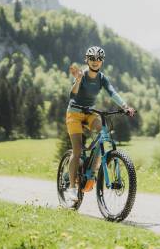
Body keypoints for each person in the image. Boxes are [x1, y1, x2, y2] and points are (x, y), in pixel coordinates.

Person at [64, 46, 135, 203]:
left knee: (105, 131)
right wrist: (77, 80)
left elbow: (112, 92)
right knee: (77, 150)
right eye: (92, 58)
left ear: (102, 61)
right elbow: (72, 94)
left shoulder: (102, 78)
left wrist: (125, 107)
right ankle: (71, 188)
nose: (95, 62)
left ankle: (93, 169)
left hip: (89, 113)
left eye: (98, 59)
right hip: (74, 114)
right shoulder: (82, 74)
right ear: (87, 60)